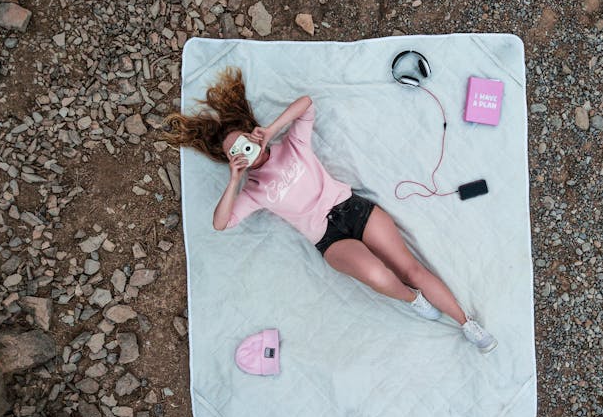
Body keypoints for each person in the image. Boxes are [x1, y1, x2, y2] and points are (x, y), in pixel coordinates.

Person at [162, 67, 497, 353]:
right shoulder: (253, 190)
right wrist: (235, 177)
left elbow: (307, 104)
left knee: (411, 269)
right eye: (236, 152)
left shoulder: (292, 145)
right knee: (379, 275)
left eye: (244, 143)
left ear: (252, 135)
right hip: (328, 237)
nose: (245, 151)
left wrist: (271, 131)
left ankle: (467, 324)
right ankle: (413, 301)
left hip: (352, 209)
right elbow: (222, 222)